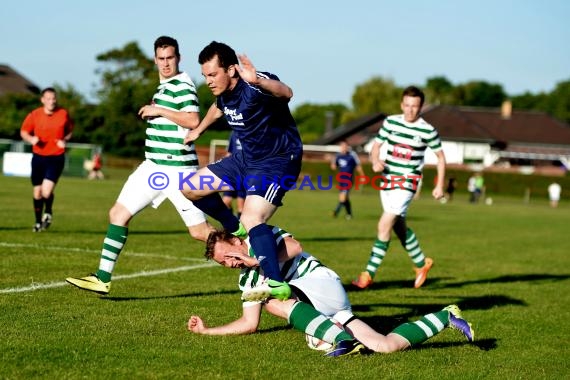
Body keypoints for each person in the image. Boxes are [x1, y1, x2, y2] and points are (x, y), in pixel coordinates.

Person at [66, 36, 213, 294]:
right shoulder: (164, 86)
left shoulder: (183, 85)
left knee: (200, 232)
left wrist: (159, 111)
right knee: (118, 214)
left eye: (170, 58)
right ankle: (102, 277)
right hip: (153, 167)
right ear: (155, 60)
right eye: (161, 58)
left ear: (178, 58)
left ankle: (255, 257)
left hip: (177, 171)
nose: (166, 63)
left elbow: (192, 120)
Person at [187, 227, 474, 357]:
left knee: (270, 298)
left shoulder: (260, 238)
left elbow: (296, 247)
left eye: (228, 255)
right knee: (385, 346)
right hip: (334, 311)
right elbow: (249, 324)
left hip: (321, 284)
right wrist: (206, 331)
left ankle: (336, 339)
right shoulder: (244, 281)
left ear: (237, 241)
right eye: (222, 262)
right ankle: (445, 317)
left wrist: (257, 261)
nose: (228, 263)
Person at [181, 41, 303, 301]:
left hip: (279, 160)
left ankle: (275, 281)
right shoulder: (223, 93)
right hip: (246, 158)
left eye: (213, 74)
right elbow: (218, 106)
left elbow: (287, 92)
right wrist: (199, 130)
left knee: (253, 218)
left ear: (232, 70)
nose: (208, 81)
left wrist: (258, 80)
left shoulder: (256, 86)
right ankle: (232, 225)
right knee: (190, 188)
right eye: (205, 76)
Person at [352, 86, 446, 290]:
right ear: (402, 105)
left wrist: (439, 185)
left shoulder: (427, 130)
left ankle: (368, 274)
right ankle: (422, 263)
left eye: (415, 106)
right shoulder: (391, 122)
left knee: (384, 224)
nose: (410, 110)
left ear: (421, 107)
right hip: (387, 180)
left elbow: (440, 157)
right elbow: (376, 146)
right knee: (398, 225)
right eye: (407, 105)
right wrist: (375, 161)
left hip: (408, 182)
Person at [20, 87, 74, 232]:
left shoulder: (63, 114)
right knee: (37, 192)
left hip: (56, 157)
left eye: (54, 98)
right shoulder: (34, 115)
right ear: (42, 100)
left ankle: (48, 211)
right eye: (48, 99)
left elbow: (69, 131)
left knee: (46, 192)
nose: (52, 101)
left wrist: (65, 140)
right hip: (38, 157)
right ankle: (38, 223)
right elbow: (24, 131)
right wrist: (31, 138)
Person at [330, 140, 365, 219]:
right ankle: (349, 214)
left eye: (345, 146)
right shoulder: (338, 156)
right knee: (345, 198)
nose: (343, 148)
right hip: (341, 180)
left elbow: (358, 166)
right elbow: (333, 166)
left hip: (348, 179)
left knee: (343, 197)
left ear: (347, 147)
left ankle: (335, 212)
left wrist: (362, 176)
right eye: (342, 146)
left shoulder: (352, 155)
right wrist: (333, 164)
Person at [221, 131, 246, 218]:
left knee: (241, 204)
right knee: (225, 202)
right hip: (232, 172)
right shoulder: (234, 133)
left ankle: (242, 228)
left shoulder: (252, 132)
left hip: (244, 173)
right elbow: (229, 152)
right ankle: (232, 224)